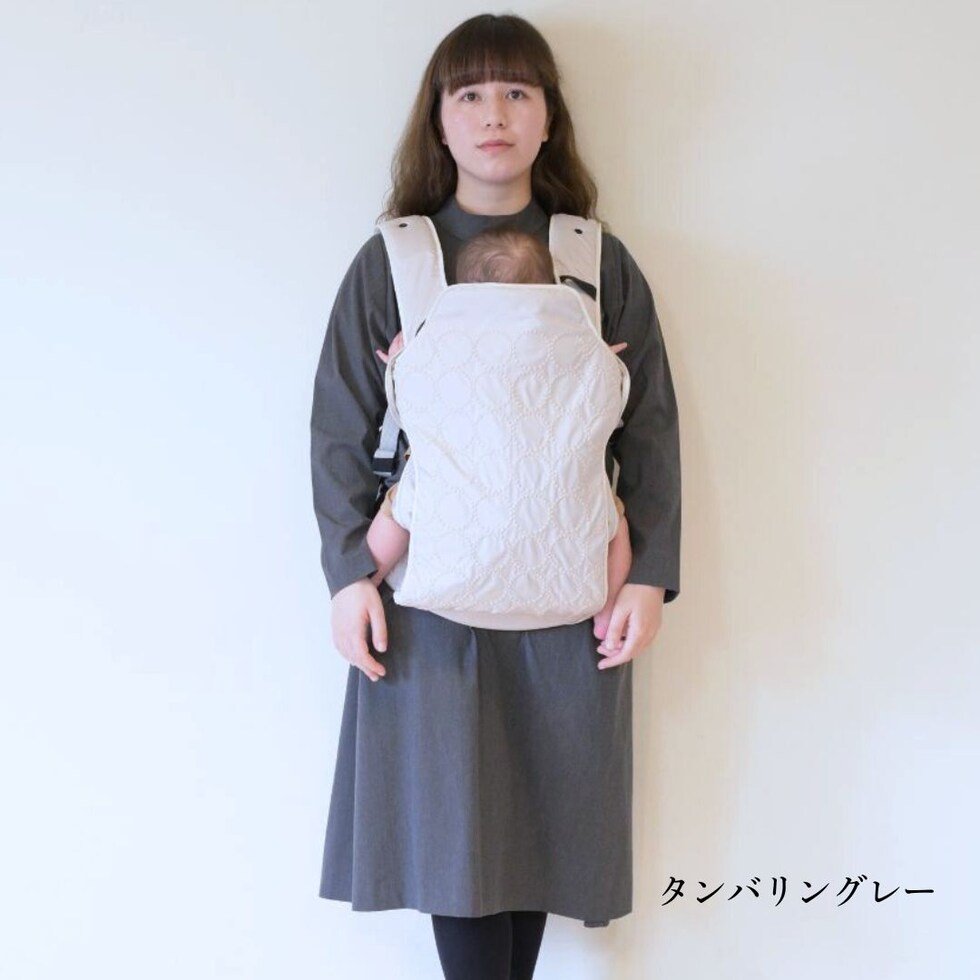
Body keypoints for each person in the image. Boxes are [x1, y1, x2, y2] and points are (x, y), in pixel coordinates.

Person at [310, 13, 681, 980]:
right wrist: (349, 577)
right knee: (455, 842)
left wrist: (649, 578)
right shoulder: (395, 259)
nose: (494, 115)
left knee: (544, 830)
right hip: (429, 603)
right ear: (438, 119)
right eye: (469, 94)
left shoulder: (594, 260)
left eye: (518, 92)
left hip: (572, 593)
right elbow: (340, 427)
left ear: (549, 116)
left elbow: (649, 429)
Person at [366, 225, 633, 641]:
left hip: (453, 508)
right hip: (558, 503)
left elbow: (404, 391)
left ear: (463, 292)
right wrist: (599, 355)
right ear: (548, 288)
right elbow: (611, 387)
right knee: (614, 520)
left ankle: (368, 579)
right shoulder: (575, 345)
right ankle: (607, 609)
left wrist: (402, 355)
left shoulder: (442, 344)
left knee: (398, 509)